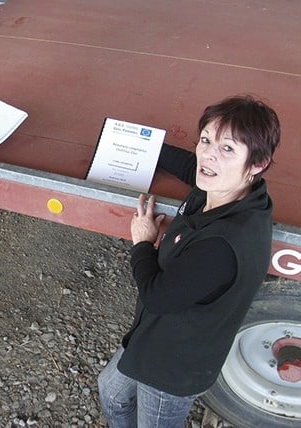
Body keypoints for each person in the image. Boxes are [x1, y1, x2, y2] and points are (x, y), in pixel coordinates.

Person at [98, 95, 281, 427]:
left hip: (173, 366)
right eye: (206, 140)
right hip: (153, 337)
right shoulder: (233, 191)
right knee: (111, 393)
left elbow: (156, 295)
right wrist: (141, 146)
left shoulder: (222, 246)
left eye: (228, 149)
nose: (208, 154)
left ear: (258, 163)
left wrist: (142, 243)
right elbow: (190, 167)